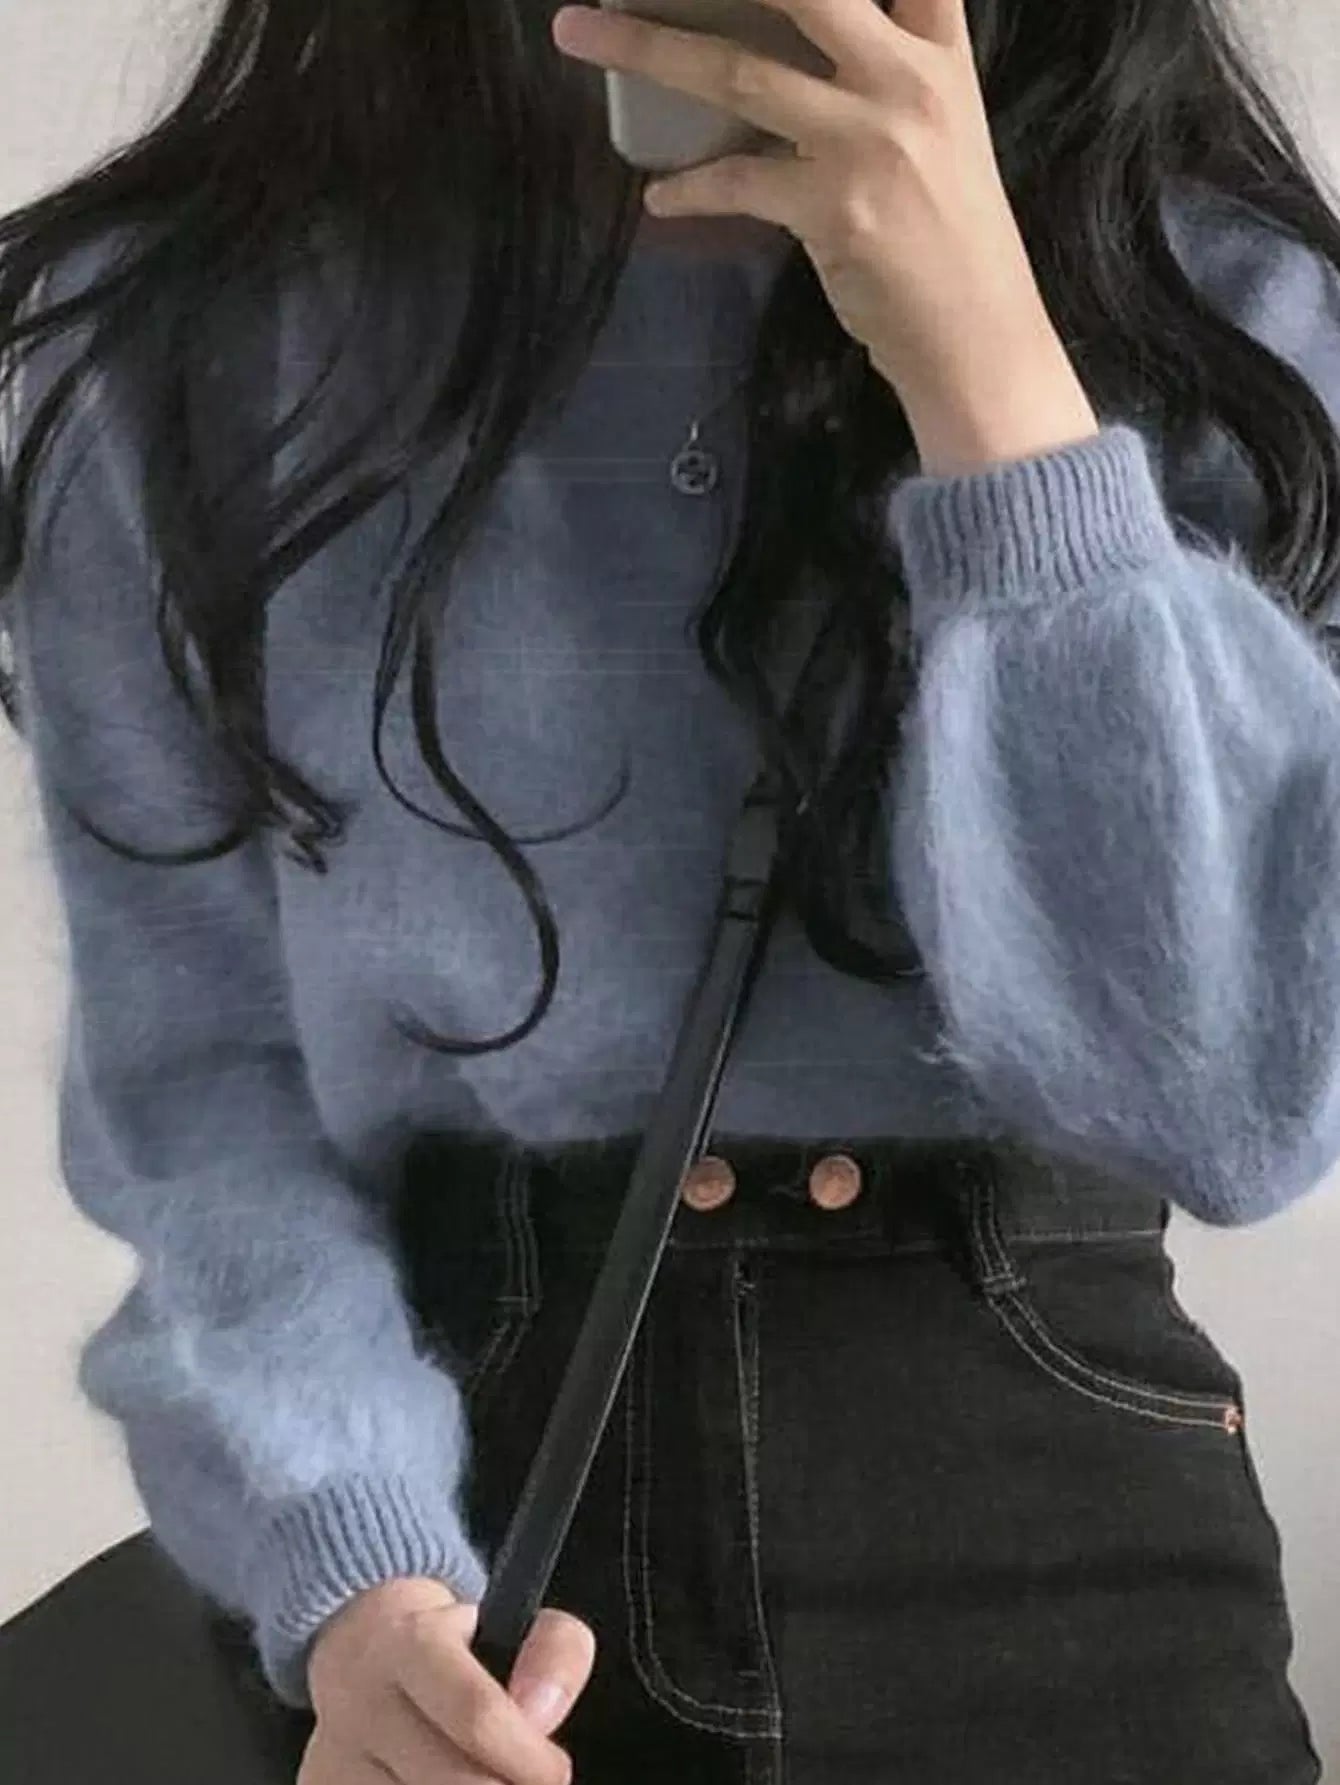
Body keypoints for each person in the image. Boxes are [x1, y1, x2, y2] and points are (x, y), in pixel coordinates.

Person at [2, 0, 1338, 1779]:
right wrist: (350, 1568)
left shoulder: (1224, 310)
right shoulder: (184, 339)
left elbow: (1242, 1105)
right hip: (470, 1531)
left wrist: (996, 383)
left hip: (1056, 1486)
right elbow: (201, 1104)